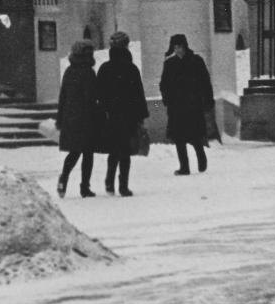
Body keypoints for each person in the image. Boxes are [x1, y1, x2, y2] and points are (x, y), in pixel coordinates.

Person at [94, 32, 148, 197]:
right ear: (126, 47)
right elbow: (139, 94)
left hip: (111, 116)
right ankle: (123, 185)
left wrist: (103, 112)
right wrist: (141, 116)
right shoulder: (131, 69)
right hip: (129, 116)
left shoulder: (104, 68)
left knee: (113, 150)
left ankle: (109, 182)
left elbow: (99, 94)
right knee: (125, 152)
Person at [159, 34, 214, 176]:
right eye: (175, 47)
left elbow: (205, 82)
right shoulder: (170, 64)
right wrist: (167, 99)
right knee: (179, 138)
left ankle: (201, 157)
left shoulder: (196, 61)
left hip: (192, 105)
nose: (178, 50)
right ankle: (184, 166)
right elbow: (164, 84)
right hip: (176, 106)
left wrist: (208, 100)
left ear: (185, 46)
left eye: (180, 47)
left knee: (194, 136)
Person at [56, 41, 98, 197]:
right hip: (87, 118)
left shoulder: (69, 71)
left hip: (71, 118)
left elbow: (63, 97)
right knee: (88, 153)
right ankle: (84, 187)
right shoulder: (89, 72)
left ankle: (64, 177)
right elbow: (93, 97)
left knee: (74, 151)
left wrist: (60, 118)